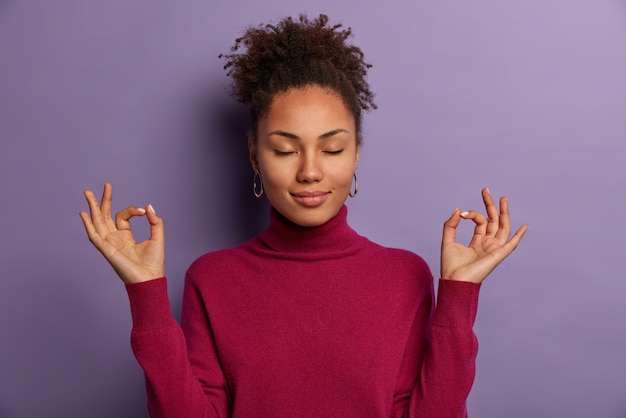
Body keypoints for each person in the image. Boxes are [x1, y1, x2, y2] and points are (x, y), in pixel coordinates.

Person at [79, 14, 527, 418]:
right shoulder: (211, 279)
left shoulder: (406, 275)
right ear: (255, 155)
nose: (310, 171)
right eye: (285, 149)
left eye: (332, 149)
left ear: (355, 156)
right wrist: (146, 294)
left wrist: (460, 295)